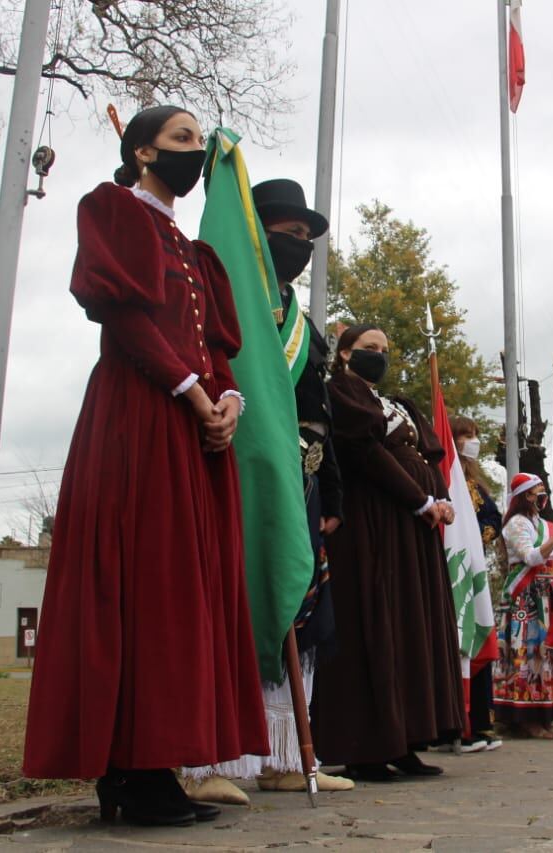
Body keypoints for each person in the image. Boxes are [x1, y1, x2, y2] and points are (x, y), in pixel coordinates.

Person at [22, 106, 268, 827]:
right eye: (183, 139)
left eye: (199, 139)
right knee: (140, 586)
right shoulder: (110, 210)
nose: (197, 151)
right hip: (136, 419)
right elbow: (124, 320)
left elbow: (218, 348)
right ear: (140, 151)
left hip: (193, 436)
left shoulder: (194, 253)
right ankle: (126, 773)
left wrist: (228, 402)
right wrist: (191, 392)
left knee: (183, 597)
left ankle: (159, 762)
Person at [180, 178, 353, 800]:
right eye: (286, 232)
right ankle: (213, 763)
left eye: (306, 237)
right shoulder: (226, 299)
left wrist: (330, 498)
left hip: (298, 481)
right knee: (234, 603)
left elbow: (321, 413)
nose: (298, 244)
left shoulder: (304, 326)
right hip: (235, 472)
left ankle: (285, 758)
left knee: (295, 608)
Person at [310, 324, 466, 781]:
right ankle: (366, 746)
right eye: (367, 349)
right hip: (370, 524)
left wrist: (441, 500)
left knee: (409, 627)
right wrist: (418, 500)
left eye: (383, 349)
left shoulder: (397, 403)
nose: (378, 355)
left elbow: (428, 456)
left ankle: (406, 738)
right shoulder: (341, 393)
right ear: (343, 354)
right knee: (374, 624)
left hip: (411, 528)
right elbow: (367, 453)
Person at [494, 472, 553, 739]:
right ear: (524, 496)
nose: (542, 497)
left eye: (543, 492)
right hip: (526, 597)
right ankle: (524, 717)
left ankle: (546, 712)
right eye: (536, 492)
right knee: (527, 653)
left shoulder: (546, 525)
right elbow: (531, 556)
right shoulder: (516, 524)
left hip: (548, 595)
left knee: (549, 655)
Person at [446, 414, 504, 752]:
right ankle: (459, 727)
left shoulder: (477, 484)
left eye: (475, 434)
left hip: (475, 567)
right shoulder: (444, 477)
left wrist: (480, 535)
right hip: (454, 570)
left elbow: (492, 517)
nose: (473, 440)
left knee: (480, 639)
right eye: (466, 434)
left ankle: (481, 723)